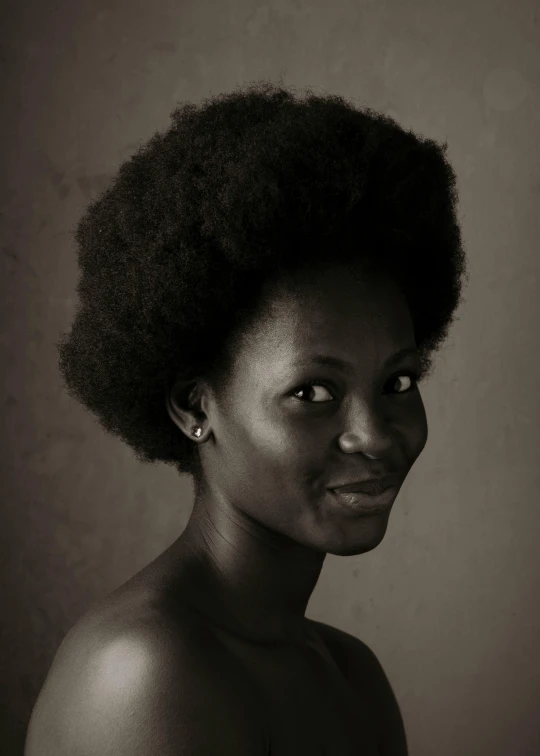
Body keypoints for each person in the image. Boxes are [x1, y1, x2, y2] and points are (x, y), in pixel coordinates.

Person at [24, 80, 467, 755]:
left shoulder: (351, 676)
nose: (375, 433)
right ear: (196, 406)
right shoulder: (143, 674)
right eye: (313, 392)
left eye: (397, 381)